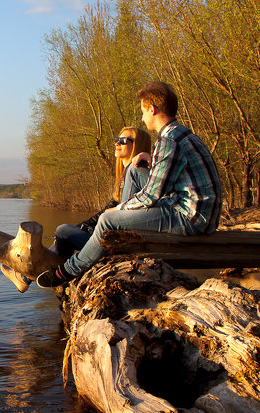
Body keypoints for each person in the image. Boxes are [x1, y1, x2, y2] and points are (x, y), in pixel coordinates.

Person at [36, 81, 222, 288]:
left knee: (108, 219)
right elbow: (171, 178)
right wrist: (150, 161)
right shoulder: (180, 133)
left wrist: (120, 210)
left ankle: (67, 271)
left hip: (191, 217)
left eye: (143, 111)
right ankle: (117, 234)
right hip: (197, 211)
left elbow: (152, 194)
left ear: (152, 109)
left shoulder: (169, 140)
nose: (143, 117)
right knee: (133, 171)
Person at [52, 126, 153, 259]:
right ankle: (41, 273)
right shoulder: (124, 175)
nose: (117, 143)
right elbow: (107, 209)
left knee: (63, 231)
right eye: (117, 139)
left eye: (123, 140)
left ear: (137, 144)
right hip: (109, 234)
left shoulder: (139, 171)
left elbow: (152, 197)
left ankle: (41, 273)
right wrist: (82, 226)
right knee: (64, 233)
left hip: (118, 242)